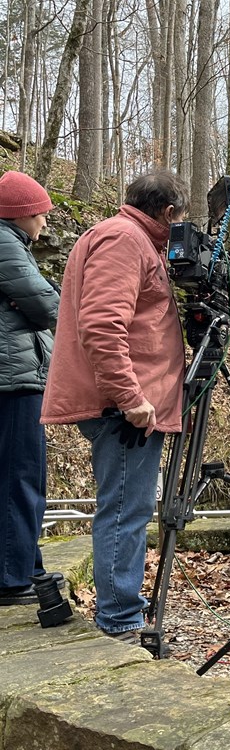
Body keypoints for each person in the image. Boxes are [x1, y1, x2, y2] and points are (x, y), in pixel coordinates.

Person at [41, 169, 189, 642]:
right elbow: (103, 325)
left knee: (127, 507)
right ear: (168, 212)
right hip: (123, 409)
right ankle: (120, 621)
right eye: (178, 221)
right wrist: (132, 398)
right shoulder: (126, 239)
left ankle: (121, 611)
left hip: (126, 403)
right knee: (126, 510)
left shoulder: (126, 237)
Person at [0, 171, 62, 605]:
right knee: (20, 477)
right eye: (40, 212)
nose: (44, 220)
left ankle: (25, 566)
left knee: (17, 476)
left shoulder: (11, 244)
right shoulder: (5, 243)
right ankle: (12, 578)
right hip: (14, 381)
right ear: (21, 213)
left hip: (13, 376)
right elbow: (48, 305)